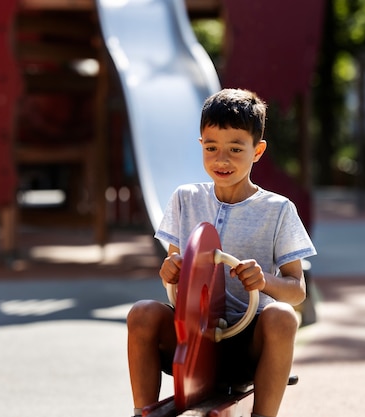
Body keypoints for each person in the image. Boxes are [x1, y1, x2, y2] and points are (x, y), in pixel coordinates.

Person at [126, 88, 316, 417]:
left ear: (257, 151)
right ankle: (142, 410)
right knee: (142, 312)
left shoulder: (278, 209)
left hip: (248, 338)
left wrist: (265, 281)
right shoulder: (185, 199)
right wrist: (170, 270)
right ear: (200, 145)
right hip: (193, 334)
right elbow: (174, 273)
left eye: (235, 149)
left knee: (284, 316)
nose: (221, 159)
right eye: (211, 148)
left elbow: (297, 291)